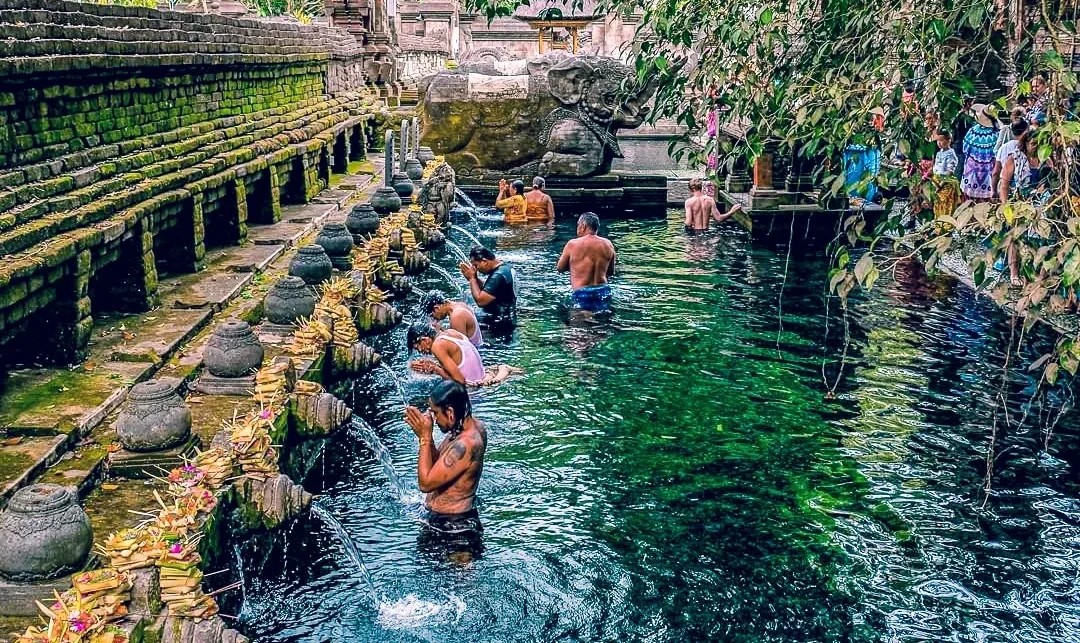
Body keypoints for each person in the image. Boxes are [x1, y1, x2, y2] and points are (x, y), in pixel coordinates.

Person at [404, 380, 486, 530]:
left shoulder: (466, 444)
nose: (434, 419)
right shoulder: (462, 429)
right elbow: (439, 466)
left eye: (435, 413)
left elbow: (425, 484)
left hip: (454, 528)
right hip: (444, 520)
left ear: (450, 412)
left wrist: (425, 438)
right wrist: (427, 437)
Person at [557, 212, 616, 312]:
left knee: (580, 320)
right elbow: (611, 272)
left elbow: (560, 268)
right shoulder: (608, 244)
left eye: (578, 225)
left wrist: (575, 264)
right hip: (603, 291)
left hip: (582, 293)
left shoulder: (573, 244)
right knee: (602, 319)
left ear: (583, 226)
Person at [407, 322, 485, 386]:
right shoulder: (451, 332)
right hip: (482, 383)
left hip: (471, 393)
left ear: (424, 339)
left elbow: (460, 382)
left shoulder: (437, 346)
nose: (420, 351)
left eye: (417, 347)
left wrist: (435, 370)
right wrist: (432, 366)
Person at [459, 246, 517, 326]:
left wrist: (472, 279)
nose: (476, 269)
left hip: (498, 323)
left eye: (476, 265)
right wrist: (474, 278)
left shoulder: (498, 275)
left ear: (484, 261)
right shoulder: (505, 267)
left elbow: (480, 301)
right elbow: (490, 291)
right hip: (508, 316)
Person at [960, 104, 999, 201]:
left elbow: (965, 149)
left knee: (971, 203)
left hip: (972, 172)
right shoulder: (996, 133)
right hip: (989, 173)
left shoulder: (973, 131)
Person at [993, 118, 1029, 199]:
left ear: (1012, 132)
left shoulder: (1004, 148)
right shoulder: (1030, 146)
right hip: (1025, 190)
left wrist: (993, 190)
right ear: (1026, 129)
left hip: (1006, 190)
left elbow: (996, 172)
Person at [931, 130, 960, 222]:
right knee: (938, 204)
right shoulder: (939, 152)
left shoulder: (950, 154)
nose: (939, 143)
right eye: (937, 140)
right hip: (937, 181)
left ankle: (946, 224)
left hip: (945, 182)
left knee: (946, 205)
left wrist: (941, 184)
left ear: (949, 141)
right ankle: (938, 223)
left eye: (941, 140)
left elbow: (949, 171)